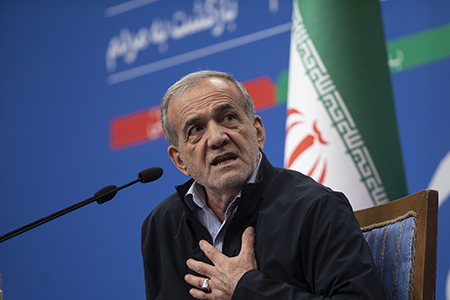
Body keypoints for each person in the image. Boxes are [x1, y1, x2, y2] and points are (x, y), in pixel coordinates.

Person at [141, 70, 386, 300]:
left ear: (257, 132)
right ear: (180, 160)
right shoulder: (162, 225)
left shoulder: (316, 207)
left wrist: (247, 289)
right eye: (196, 129)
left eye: (228, 117)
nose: (217, 138)